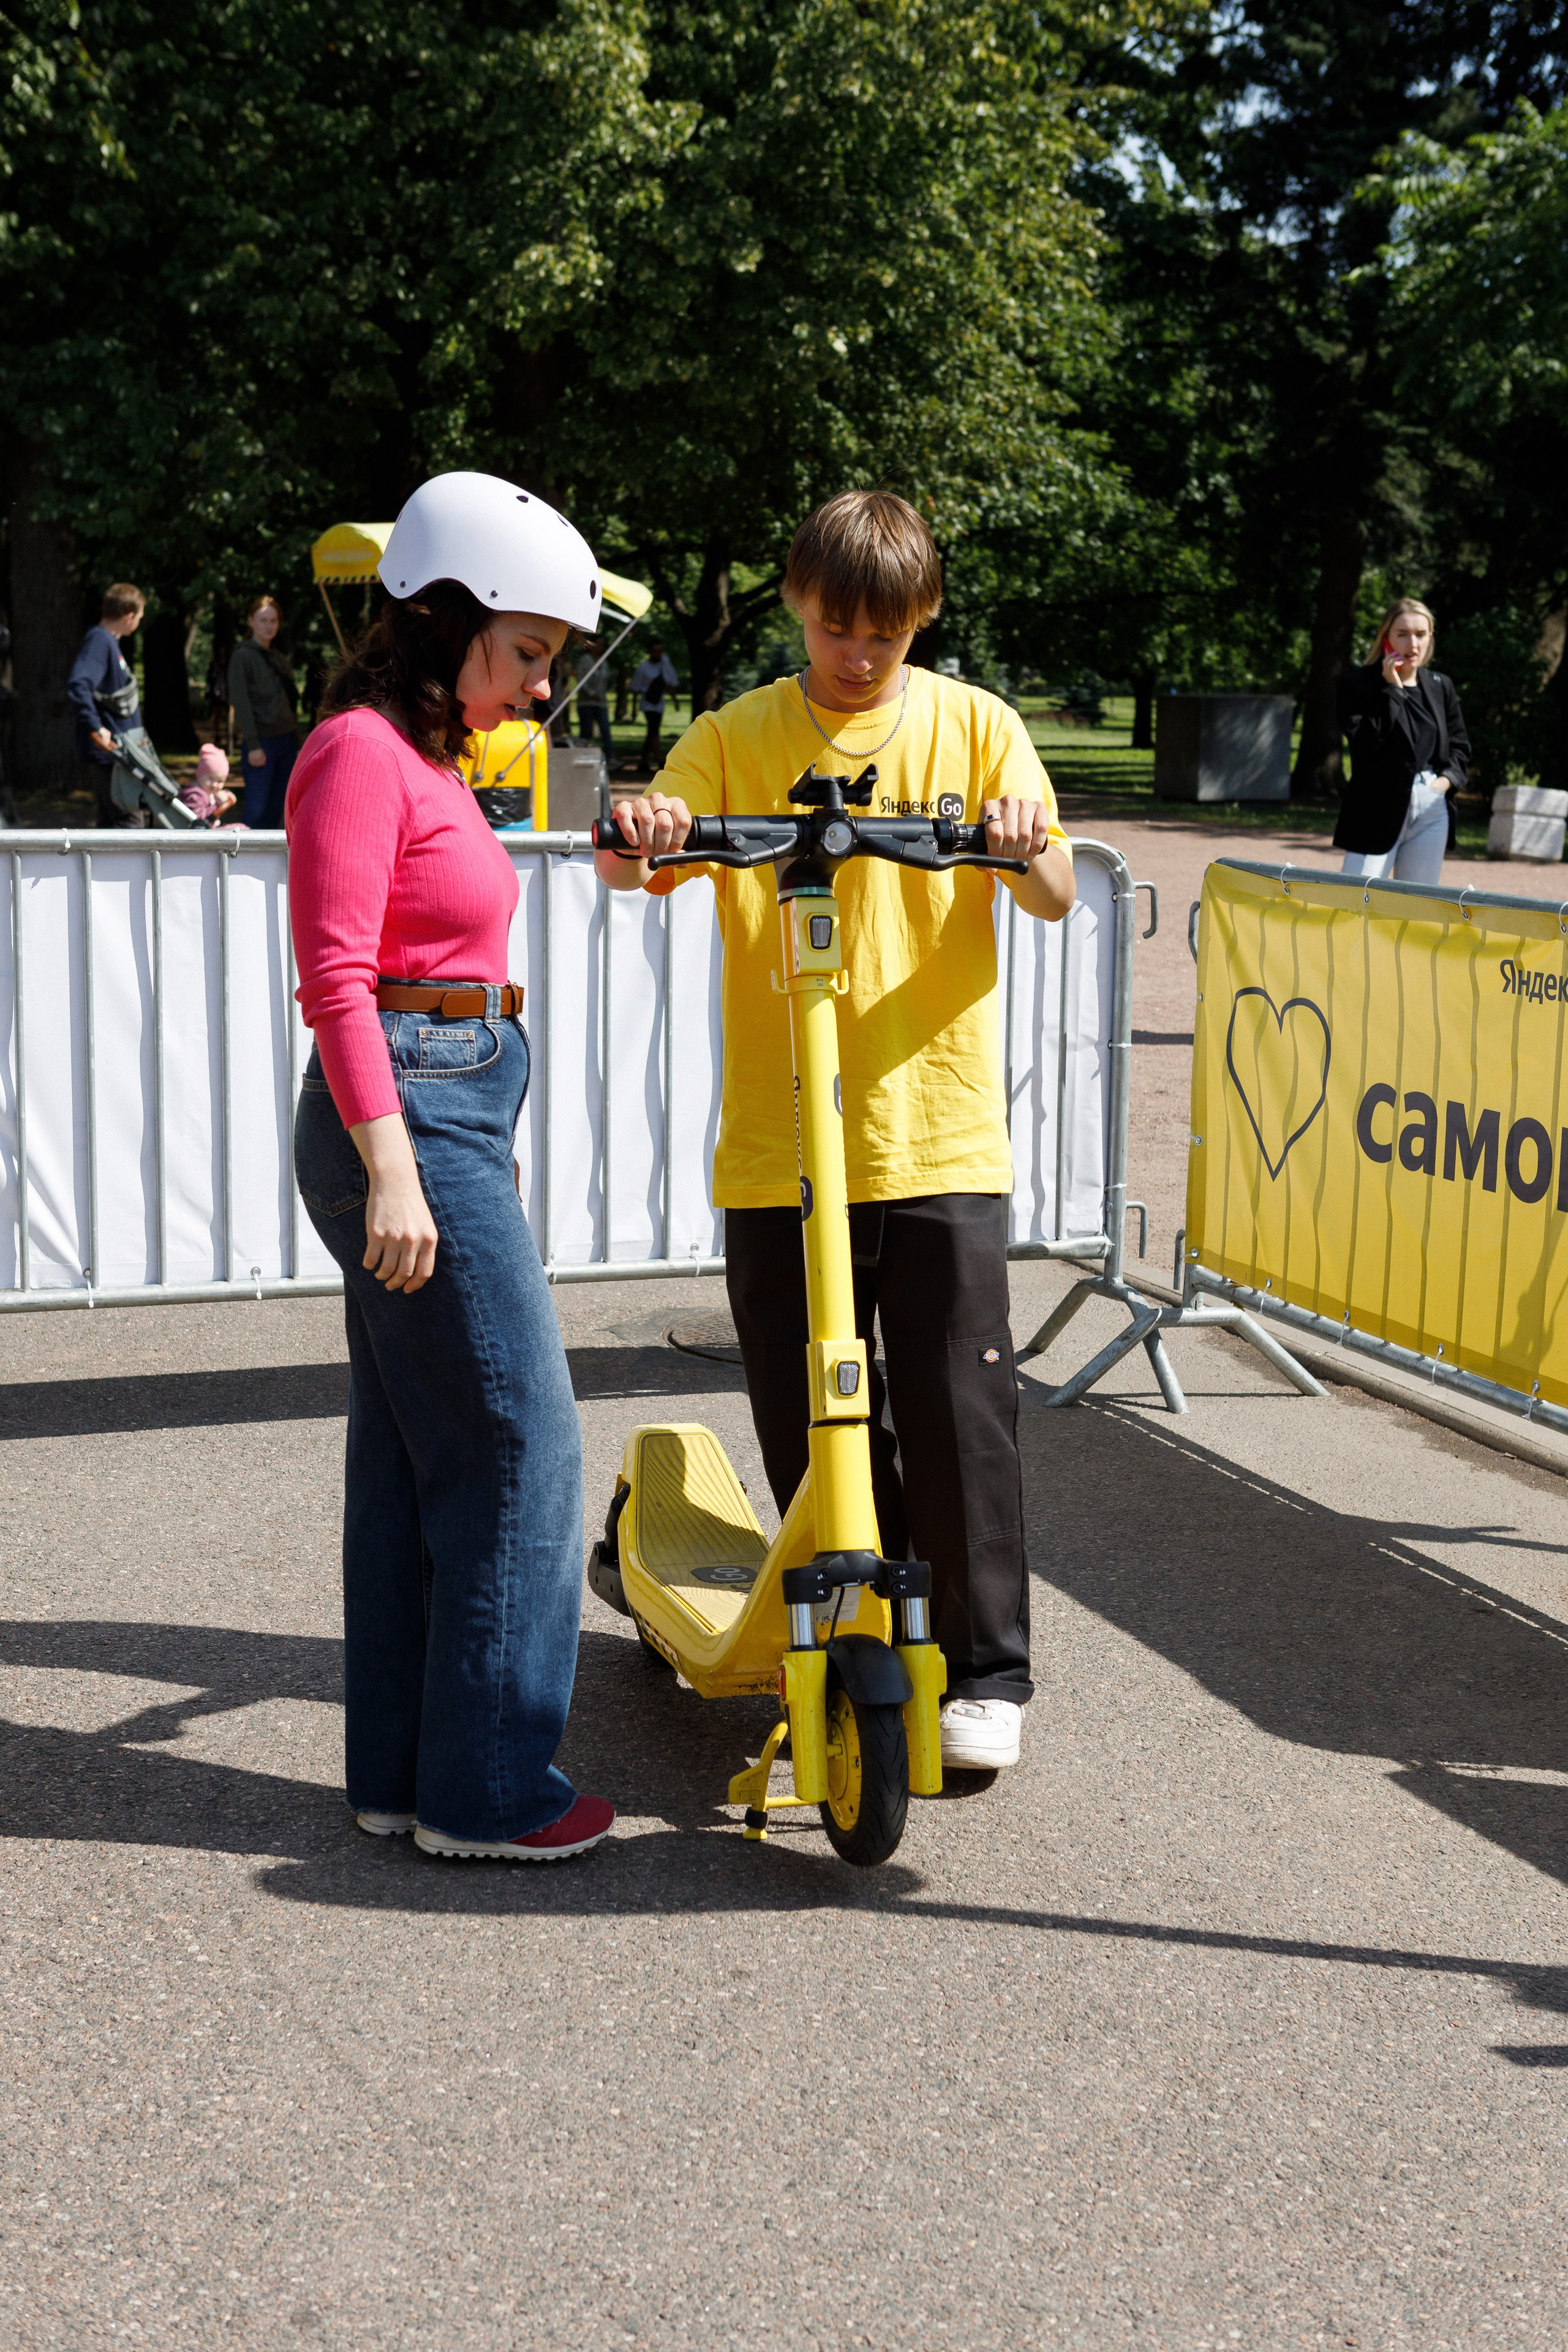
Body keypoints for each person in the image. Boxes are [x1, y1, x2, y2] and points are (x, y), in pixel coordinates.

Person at [595, 490, 1076, 1773]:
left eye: (884, 635)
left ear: (921, 620)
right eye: (833, 629)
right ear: (799, 606)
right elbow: (630, 862)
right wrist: (648, 826)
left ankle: (983, 1670)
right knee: (808, 1408)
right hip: (783, 1142)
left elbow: (1053, 891)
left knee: (959, 1410)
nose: (856, 656)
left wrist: (1021, 839)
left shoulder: (977, 726)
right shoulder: (736, 733)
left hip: (935, 1133)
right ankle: (855, 1622)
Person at [287, 469, 614, 1864]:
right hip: (410, 1117)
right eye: (527, 650)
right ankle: (488, 1790)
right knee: (522, 1447)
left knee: (412, 1452)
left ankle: (402, 1776)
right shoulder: (358, 752)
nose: (541, 686)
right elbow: (338, 979)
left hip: (446, 1107)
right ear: (440, 615)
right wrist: (398, 1173)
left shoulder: (423, 761)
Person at [1334, 598, 1471, 884]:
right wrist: (1394, 692)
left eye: (1421, 634)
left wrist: (1442, 784)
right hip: (1376, 807)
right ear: (1386, 638)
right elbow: (1365, 743)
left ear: (1430, 637)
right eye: (1403, 634)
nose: (1413, 644)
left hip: (1431, 806)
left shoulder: (1440, 685)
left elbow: (1460, 748)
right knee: (1356, 898)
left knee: (1417, 902)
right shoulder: (1358, 684)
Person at [67, 582, 148, 827]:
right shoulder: (99, 641)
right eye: (140, 617)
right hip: (111, 752)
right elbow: (79, 684)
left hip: (116, 752)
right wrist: (97, 727)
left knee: (110, 824)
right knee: (130, 823)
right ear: (129, 617)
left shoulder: (107, 641)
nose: (139, 622)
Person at [228, 595, 300, 827]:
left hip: (286, 740)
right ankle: (245, 852)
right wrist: (253, 745)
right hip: (262, 743)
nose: (269, 626)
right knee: (256, 809)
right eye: (263, 620)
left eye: (273, 621)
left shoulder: (277, 657)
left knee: (278, 807)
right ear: (251, 621)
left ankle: (265, 853)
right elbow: (241, 703)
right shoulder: (242, 657)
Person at [628, 638, 679, 772]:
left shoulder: (664, 666)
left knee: (652, 732)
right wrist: (634, 708)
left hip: (659, 704)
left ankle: (643, 762)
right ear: (650, 651)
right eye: (655, 651)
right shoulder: (643, 668)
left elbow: (669, 684)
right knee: (654, 730)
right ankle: (660, 759)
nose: (658, 653)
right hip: (648, 704)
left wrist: (675, 700)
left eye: (659, 651)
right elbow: (636, 689)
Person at [575, 638, 616, 765]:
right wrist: (591, 694)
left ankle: (610, 758)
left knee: (605, 730)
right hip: (586, 702)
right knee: (586, 731)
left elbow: (605, 682)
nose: (600, 647)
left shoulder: (605, 661)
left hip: (601, 703)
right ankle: (582, 758)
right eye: (598, 644)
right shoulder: (584, 660)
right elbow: (581, 679)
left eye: (602, 644)